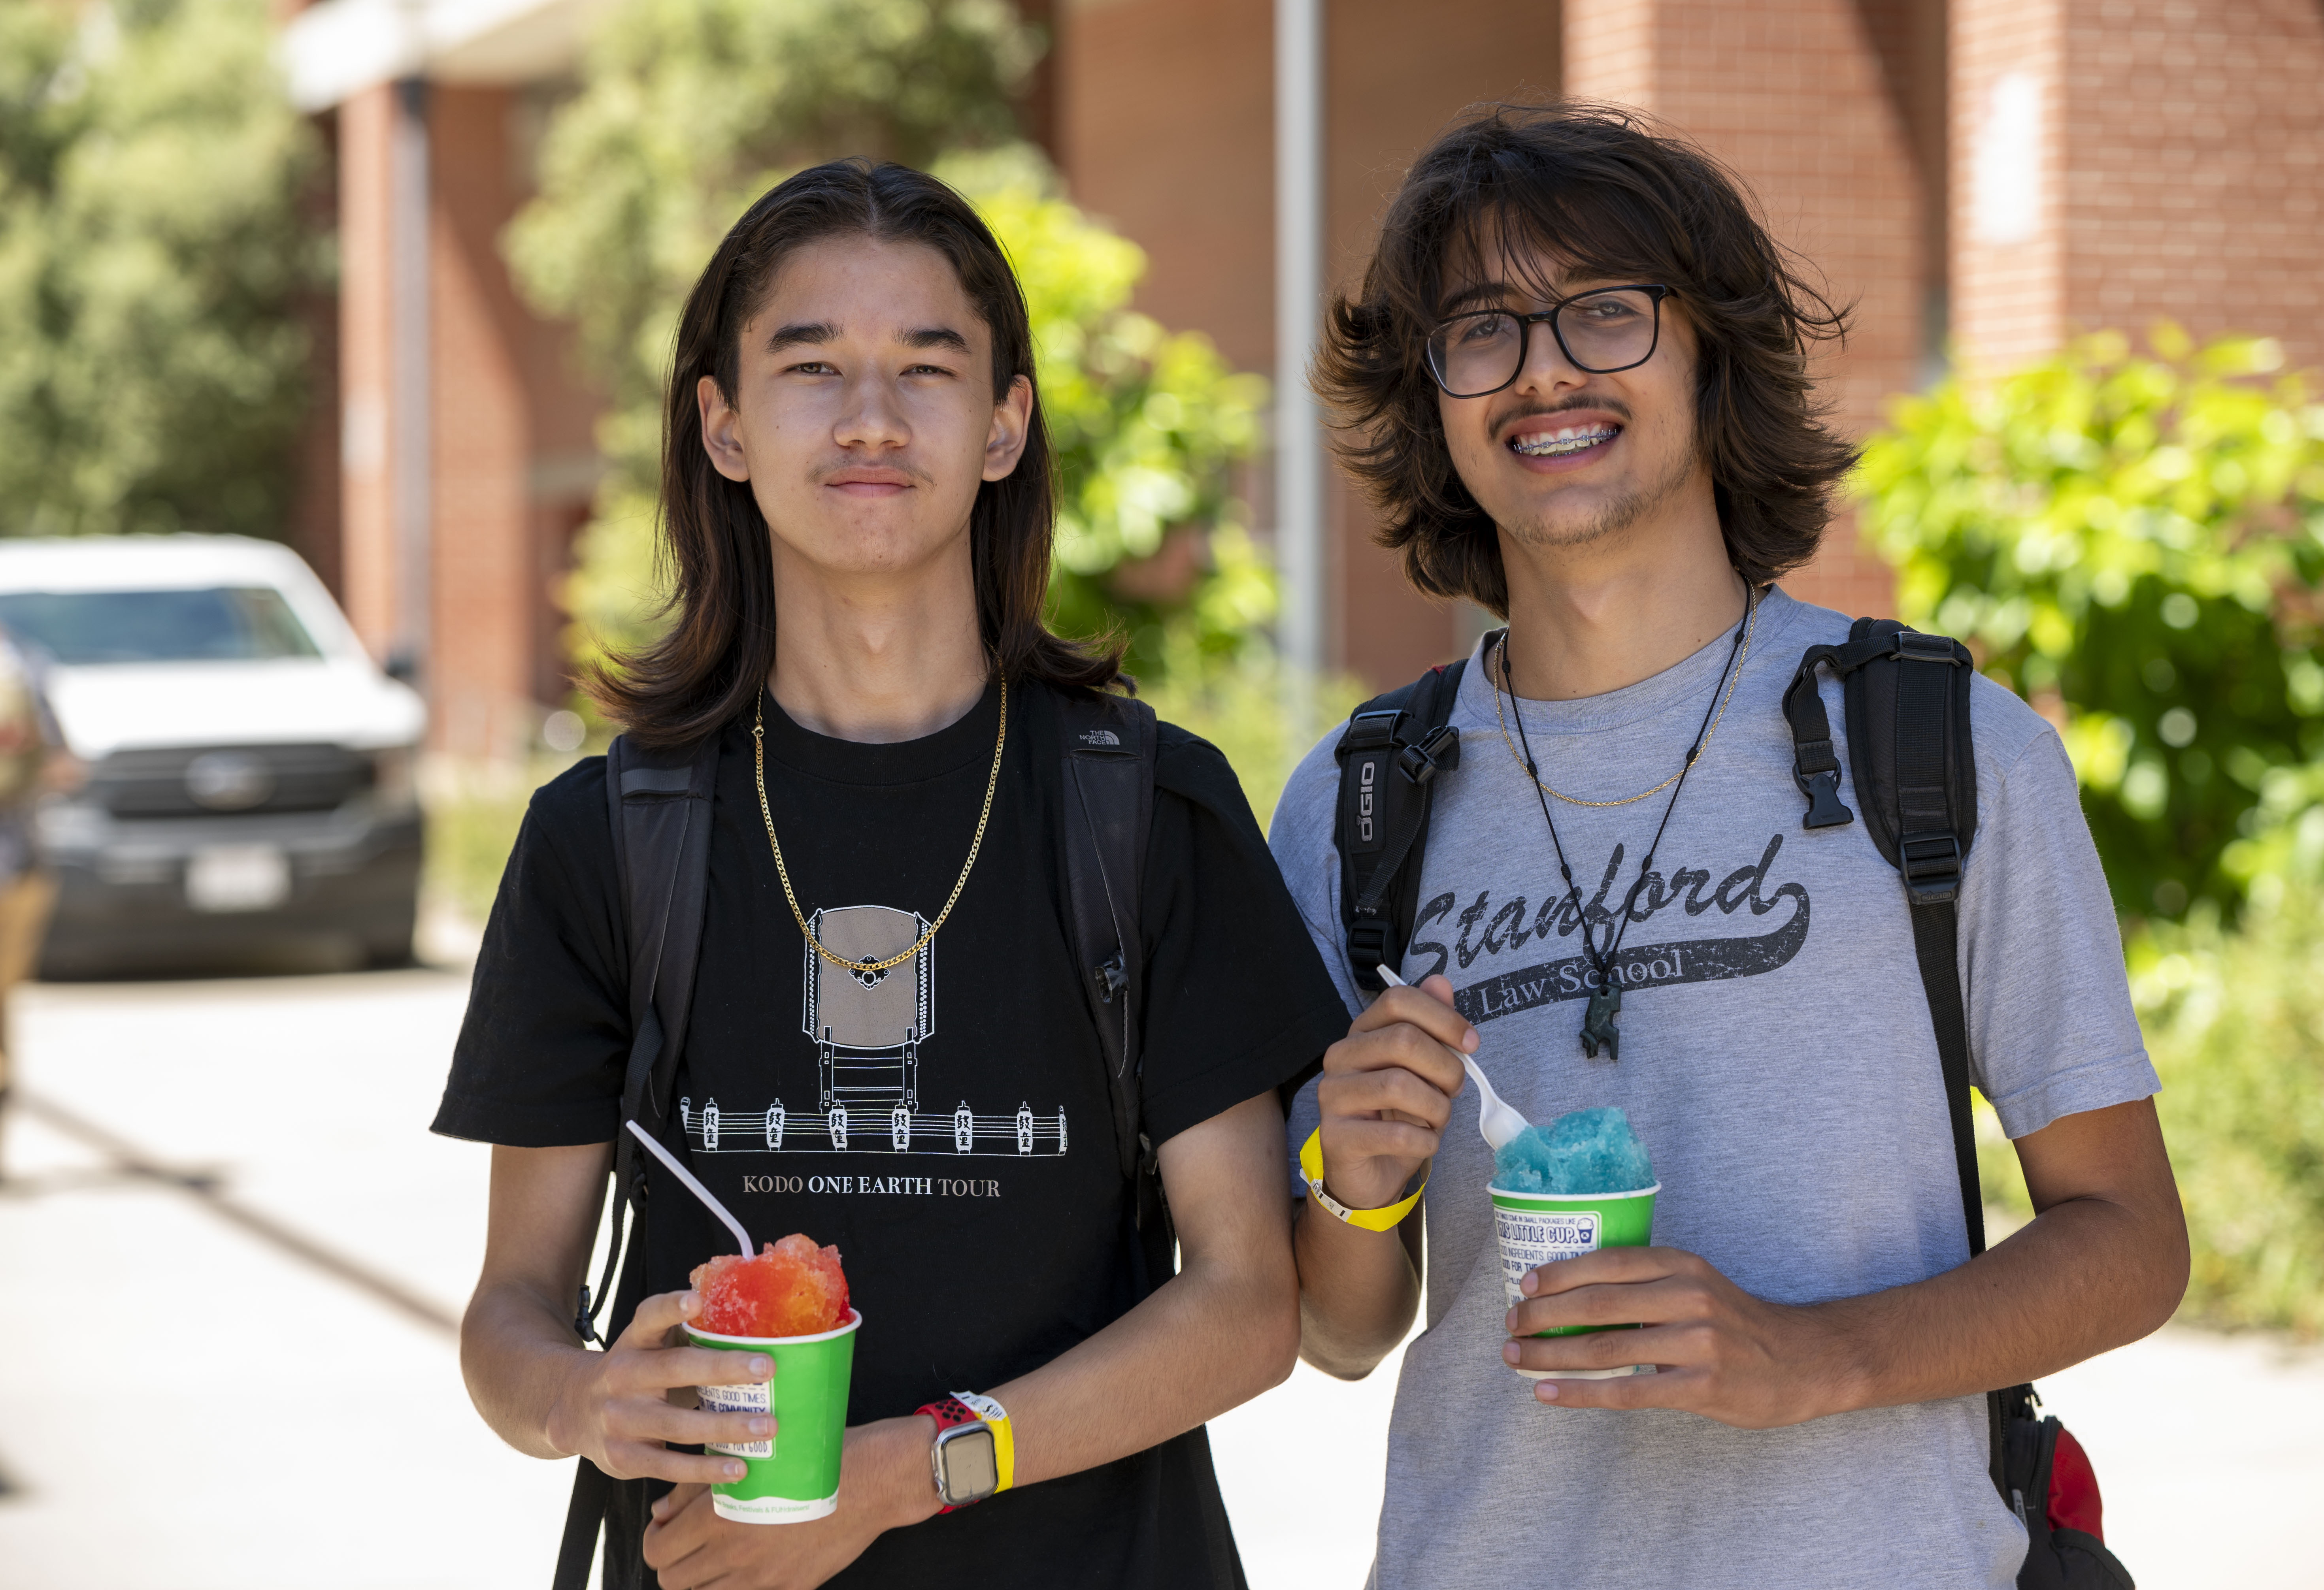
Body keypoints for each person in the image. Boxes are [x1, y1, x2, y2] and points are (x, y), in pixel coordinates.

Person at [1270, 104, 2190, 1588]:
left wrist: (1809, 1359)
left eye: (1607, 313)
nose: (1545, 368)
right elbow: (1338, 1328)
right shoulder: (1356, 801)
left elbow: (2133, 1240)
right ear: (1431, 396)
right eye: (1481, 329)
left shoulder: (1941, 746)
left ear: (1710, 352)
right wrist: (1354, 1182)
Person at [435, 158, 1351, 1590]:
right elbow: (510, 1313)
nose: (870, 416)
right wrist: (578, 1400)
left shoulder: (1144, 808)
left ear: (1004, 426)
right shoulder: (606, 837)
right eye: (812, 367)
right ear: (724, 426)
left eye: (929, 368)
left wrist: (911, 1469)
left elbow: (1246, 1304)